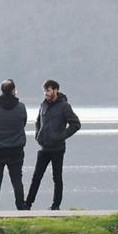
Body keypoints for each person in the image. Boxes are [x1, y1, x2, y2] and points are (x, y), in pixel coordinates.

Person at [25, 79, 81, 211]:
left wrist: (62, 136)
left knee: (57, 177)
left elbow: (76, 124)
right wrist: (37, 135)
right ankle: (27, 204)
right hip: (44, 147)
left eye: (48, 90)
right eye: (44, 91)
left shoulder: (64, 106)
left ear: (56, 90)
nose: (46, 93)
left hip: (58, 148)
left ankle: (56, 205)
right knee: (36, 176)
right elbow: (38, 121)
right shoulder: (43, 105)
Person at [0, 79, 27, 211]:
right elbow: (23, 122)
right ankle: (21, 207)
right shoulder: (21, 107)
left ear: (1, 91)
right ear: (14, 91)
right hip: (16, 150)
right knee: (17, 180)